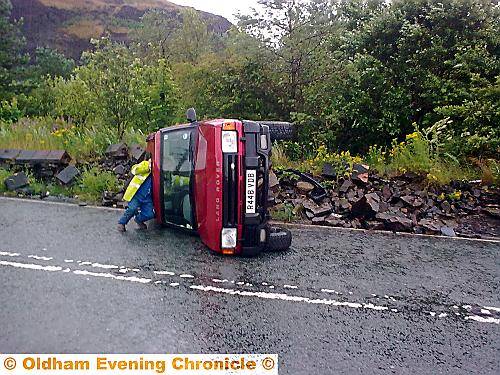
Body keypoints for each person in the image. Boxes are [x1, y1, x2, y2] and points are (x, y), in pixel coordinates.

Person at [118, 158, 154, 232]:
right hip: (136, 194)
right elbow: (134, 170)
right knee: (132, 209)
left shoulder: (158, 171)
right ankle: (122, 223)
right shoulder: (145, 164)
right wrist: (148, 167)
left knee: (150, 214)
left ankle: (138, 219)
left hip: (147, 197)